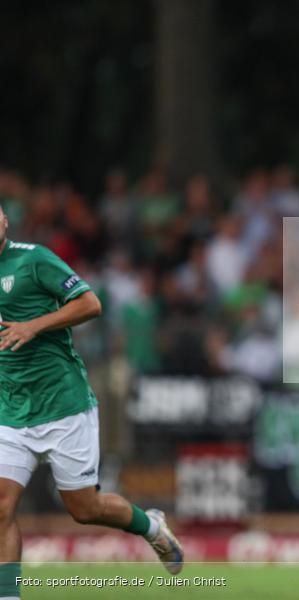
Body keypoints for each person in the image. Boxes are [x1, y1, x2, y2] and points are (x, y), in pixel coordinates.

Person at [0, 204, 183, 600]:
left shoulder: (33, 260)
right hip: (11, 410)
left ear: (4, 220)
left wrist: (33, 326)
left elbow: (90, 303)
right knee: (1, 507)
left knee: (85, 509)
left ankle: (151, 527)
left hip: (63, 403)